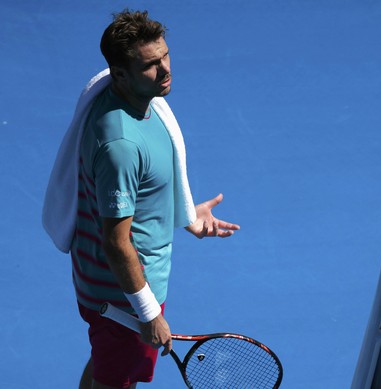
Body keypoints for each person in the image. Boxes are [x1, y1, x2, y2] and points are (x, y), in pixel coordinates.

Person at [43, 10, 240, 389]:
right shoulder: (121, 145)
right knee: (117, 381)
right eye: (150, 65)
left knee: (109, 368)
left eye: (165, 55)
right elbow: (117, 243)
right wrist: (148, 313)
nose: (165, 69)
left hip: (115, 292)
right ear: (119, 74)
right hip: (122, 297)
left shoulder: (139, 101)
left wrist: (183, 213)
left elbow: (142, 191)